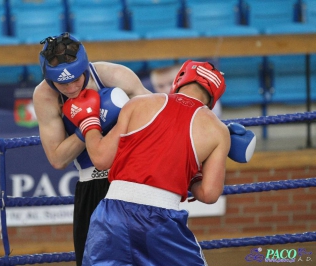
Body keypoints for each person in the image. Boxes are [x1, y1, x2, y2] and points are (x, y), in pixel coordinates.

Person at [63, 60, 256, 265]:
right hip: (161, 222)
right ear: (213, 97)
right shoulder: (217, 130)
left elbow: (101, 159)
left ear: (179, 80)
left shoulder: (139, 103)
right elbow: (209, 194)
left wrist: (89, 122)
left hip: (112, 215)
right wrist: (192, 172)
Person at [32, 32, 151, 266]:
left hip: (134, 179)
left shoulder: (115, 76)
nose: (72, 87)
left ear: (85, 65)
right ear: (48, 78)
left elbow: (160, 119)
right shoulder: (45, 97)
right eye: (62, 83)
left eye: (76, 78)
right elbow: (57, 159)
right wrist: (88, 125)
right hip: (92, 185)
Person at [150, 63, 223, 119]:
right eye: (160, 86)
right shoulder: (155, 104)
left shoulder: (204, 98)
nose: (166, 89)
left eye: (171, 83)